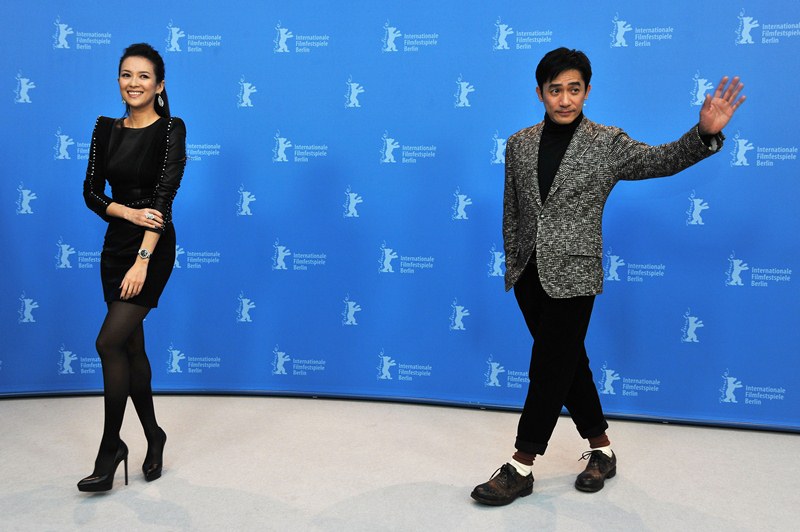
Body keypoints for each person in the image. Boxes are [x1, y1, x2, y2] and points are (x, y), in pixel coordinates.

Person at [471, 47, 744, 506]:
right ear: (540, 93)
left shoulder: (606, 143)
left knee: (547, 367)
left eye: (574, 89)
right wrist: (514, 265)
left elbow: (660, 159)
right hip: (529, 274)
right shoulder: (518, 143)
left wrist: (703, 133)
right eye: (555, 90)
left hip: (575, 275)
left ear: (587, 91)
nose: (564, 99)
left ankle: (521, 465)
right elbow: (513, 211)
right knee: (568, 363)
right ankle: (602, 450)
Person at [78, 43, 186, 492]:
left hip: (152, 249)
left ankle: (110, 448)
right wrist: (125, 213)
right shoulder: (105, 129)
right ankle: (155, 435)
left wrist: (142, 260)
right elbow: (91, 191)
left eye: (144, 76)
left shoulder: (171, 130)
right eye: (126, 74)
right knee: (130, 350)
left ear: (159, 86)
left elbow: (162, 202)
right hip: (115, 244)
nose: (134, 83)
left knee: (108, 342)